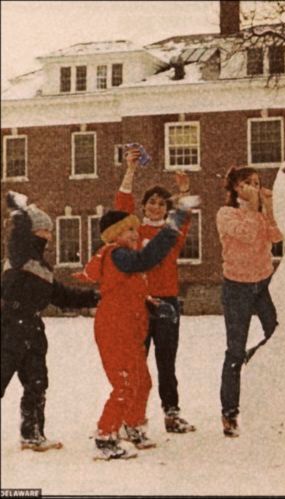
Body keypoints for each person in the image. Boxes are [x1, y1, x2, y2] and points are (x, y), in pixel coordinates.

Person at [77, 198, 197, 460]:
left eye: (134, 229)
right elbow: (148, 258)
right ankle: (105, 435)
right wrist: (174, 223)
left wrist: (152, 304)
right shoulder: (117, 254)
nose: (135, 234)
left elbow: (130, 289)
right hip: (115, 329)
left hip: (130, 328)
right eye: (129, 230)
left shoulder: (125, 258)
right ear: (114, 235)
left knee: (142, 382)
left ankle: (133, 425)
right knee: (125, 383)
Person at [1, 191, 99, 452]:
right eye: (45, 230)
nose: (49, 236)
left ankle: (32, 434)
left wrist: (96, 297)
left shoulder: (43, 269)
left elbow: (64, 296)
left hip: (33, 330)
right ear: (34, 231)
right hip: (9, 327)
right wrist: (20, 211)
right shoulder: (20, 256)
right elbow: (19, 235)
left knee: (37, 383)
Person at [114, 146, 195, 434]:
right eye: (151, 202)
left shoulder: (171, 233)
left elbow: (183, 215)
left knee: (166, 361)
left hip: (167, 302)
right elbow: (122, 203)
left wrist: (184, 191)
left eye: (162, 204)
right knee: (136, 360)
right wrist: (131, 170)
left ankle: (171, 413)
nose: (155, 207)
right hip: (138, 303)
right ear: (144, 205)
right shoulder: (133, 230)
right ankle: (131, 415)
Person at [216, 166, 282, 437]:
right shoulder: (225, 214)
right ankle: (229, 412)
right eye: (247, 183)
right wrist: (255, 209)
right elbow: (247, 233)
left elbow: (276, 236)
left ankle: (253, 357)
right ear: (234, 188)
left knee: (279, 336)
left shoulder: (259, 212)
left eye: (256, 182)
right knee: (234, 350)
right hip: (236, 287)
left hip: (264, 283)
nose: (253, 187)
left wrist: (270, 206)